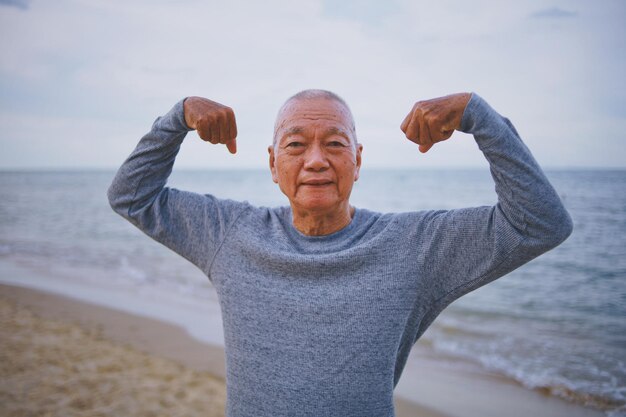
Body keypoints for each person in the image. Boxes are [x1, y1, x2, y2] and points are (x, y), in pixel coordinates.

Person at [108, 90, 573, 417]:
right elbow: (132, 196)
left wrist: (479, 116)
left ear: (358, 160)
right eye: (295, 145)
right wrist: (177, 119)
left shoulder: (412, 247)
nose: (315, 160)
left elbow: (539, 222)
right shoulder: (231, 234)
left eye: (334, 143)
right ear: (273, 164)